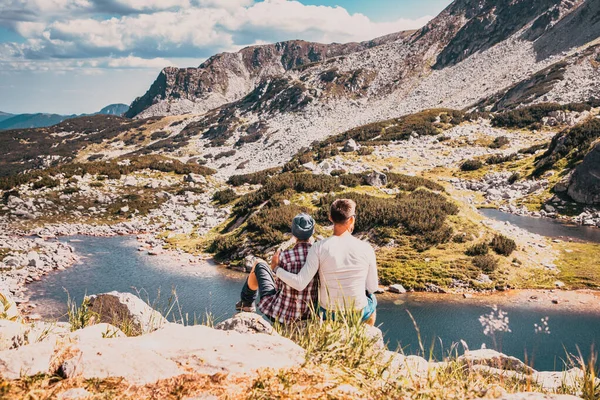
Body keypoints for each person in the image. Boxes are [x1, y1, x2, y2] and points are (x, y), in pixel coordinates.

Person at [274, 199, 378, 325]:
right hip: (357, 312)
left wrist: (276, 269)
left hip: (328, 313)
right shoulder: (366, 248)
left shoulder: (318, 247)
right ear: (351, 219)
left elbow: (300, 283)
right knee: (372, 300)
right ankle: (366, 335)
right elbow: (372, 287)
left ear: (330, 218)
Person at [236, 213, 319, 324]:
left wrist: (277, 262)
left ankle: (246, 303)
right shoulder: (319, 255)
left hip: (281, 316)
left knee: (259, 264)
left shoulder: (284, 256)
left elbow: (278, 286)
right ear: (312, 232)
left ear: (293, 233)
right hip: (309, 314)